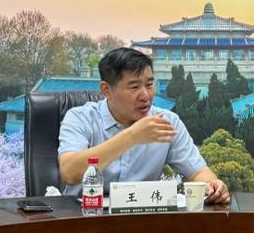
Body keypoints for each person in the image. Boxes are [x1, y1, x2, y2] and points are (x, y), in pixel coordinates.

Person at [58, 48, 230, 203]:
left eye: (149, 85)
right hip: (85, 215)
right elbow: (69, 172)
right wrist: (131, 136)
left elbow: (197, 172)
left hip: (144, 220)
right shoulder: (81, 118)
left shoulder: (167, 122)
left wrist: (212, 185)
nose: (145, 95)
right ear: (106, 90)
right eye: (134, 87)